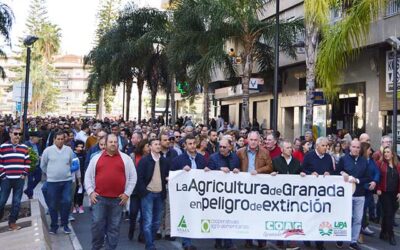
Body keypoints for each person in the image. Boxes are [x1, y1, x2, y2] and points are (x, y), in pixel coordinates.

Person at [85, 134, 137, 250]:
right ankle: (96, 247)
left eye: (115, 142)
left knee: (114, 228)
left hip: (118, 200)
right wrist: (90, 192)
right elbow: (88, 176)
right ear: (106, 144)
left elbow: (133, 177)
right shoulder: (96, 158)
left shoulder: (126, 159)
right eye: (111, 142)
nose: (113, 144)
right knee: (97, 225)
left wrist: (127, 194)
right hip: (99, 199)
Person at [171, 135, 207, 250]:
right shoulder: (178, 160)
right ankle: (187, 243)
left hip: (198, 194)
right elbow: (172, 176)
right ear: (185, 146)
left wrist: (207, 171)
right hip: (184, 195)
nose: (192, 146)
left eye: (193, 143)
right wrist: (181, 171)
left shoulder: (202, 159)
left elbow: (208, 175)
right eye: (189, 144)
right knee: (185, 217)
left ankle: (192, 237)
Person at [236, 131, 272, 249]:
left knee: (260, 214)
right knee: (247, 214)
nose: (253, 142)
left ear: (259, 141)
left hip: (259, 188)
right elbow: (235, 165)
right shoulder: (240, 152)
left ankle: (261, 239)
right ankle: (248, 239)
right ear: (247, 140)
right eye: (251, 140)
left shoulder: (265, 152)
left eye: (255, 140)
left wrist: (258, 171)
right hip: (245, 188)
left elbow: (270, 167)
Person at [336, 140, 372, 250]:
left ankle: (353, 241)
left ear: (360, 149)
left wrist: (357, 180)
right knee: (344, 217)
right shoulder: (343, 159)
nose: (356, 149)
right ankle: (340, 237)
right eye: (354, 147)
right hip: (346, 195)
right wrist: (342, 173)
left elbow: (368, 177)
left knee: (357, 219)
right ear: (350, 147)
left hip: (360, 194)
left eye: (358, 147)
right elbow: (336, 172)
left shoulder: (364, 161)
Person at [301, 137, 335, 250]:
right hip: (310, 192)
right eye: (324, 145)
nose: (326, 148)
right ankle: (307, 238)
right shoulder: (309, 156)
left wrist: (329, 173)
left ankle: (319, 242)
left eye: (327, 146)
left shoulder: (329, 157)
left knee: (321, 216)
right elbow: (301, 169)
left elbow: (333, 171)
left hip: (323, 193)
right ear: (317, 146)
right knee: (310, 216)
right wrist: (310, 173)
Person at [136, 138, 170, 250]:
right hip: (148, 194)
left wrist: (167, 179)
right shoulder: (145, 160)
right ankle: (150, 246)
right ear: (150, 146)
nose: (158, 146)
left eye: (159, 144)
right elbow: (139, 178)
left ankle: (150, 241)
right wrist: (144, 193)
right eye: (155, 144)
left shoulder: (164, 161)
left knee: (157, 222)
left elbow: (167, 175)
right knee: (148, 221)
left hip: (160, 194)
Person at [208, 138, 240, 250]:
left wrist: (237, 171)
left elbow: (238, 170)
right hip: (217, 194)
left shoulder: (235, 157)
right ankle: (218, 241)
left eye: (224, 147)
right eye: (220, 146)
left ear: (230, 147)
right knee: (218, 218)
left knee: (229, 217)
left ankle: (228, 242)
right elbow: (207, 174)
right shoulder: (213, 157)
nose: (221, 149)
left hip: (231, 193)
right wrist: (219, 169)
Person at [40, 131, 75, 234]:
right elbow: (43, 165)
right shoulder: (48, 151)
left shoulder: (68, 150)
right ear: (54, 139)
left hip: (66, 181)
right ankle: (54, 226)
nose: (60, 141)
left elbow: (71, 162)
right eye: (58, 139)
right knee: (52, 205)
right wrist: (50, 173)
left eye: (62, 139)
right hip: (52, 182)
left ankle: (65, 224)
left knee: (67, 202)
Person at [271, 140, 301, 250]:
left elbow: (300, 174)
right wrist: (272, 174)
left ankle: (291, 241)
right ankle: (280, 240)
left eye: (291, 147)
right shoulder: (275, 161)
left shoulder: (297, 162)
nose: (290, 149)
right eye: (287, 148)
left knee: (292, 217)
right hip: (280, 196)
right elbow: (271, 174)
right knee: (280, 217)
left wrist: (302, 174)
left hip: (293, 197)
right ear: (282, 149)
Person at [0, 126, 30, 231]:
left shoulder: (24, 147)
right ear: (10, 134)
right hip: (6, 179)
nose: (18, 136)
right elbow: (0, 162)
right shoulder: (3, 147)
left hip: (19, 179)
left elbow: (27, 162)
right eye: (15, 134)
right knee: (2, 201)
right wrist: (3, 175)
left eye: (19, 134)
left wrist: (24, 173)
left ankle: (12, 223)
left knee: (16, 202)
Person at [376, 146, 400, 246]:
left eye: (388, 152)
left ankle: (383, 232)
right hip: (384, 193)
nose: (386, 154)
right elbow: (376, 176)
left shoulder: (398, 165)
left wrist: (399, 192)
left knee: (388, 214)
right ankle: (391, 235)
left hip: (394, 193)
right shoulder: (380, 164)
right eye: (384, 152)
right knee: (389, 213)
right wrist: (378, 188)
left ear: (392, 154)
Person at [359, 142, 380, 239]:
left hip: (369, 190)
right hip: (361, 190)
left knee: (365, 209)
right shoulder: (360, 161)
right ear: (364, 150)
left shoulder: (371, 161)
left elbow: (377, 172)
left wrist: (375, 182)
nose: (371, 151)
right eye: (369, 149)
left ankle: (363, 227)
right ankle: (361, 230)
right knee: (360, 210)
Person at [24, 131, 43, 199]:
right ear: (32, 137)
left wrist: (40, 156)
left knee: (38, 178)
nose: (38, 139)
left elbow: (40, 153)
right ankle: (30, 195)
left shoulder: (38, 145)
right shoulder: (26, 144)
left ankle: (28, 190)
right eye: (37, 137)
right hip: (30, 165)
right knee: (30, 180)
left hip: (37, 165)